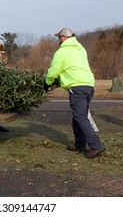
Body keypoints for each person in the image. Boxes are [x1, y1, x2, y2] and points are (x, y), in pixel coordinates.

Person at [44, 28, 105, 159]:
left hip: (77, 87)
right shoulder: (80, 49)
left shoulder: (62, 51)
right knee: (78, 115)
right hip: (88, 85)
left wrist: (47, 83)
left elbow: (54, 70)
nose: (58, 40)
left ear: (64, 38)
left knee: (80, 116)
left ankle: (96, 145)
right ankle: (79, 144)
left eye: (59, 37)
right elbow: (71, 68)